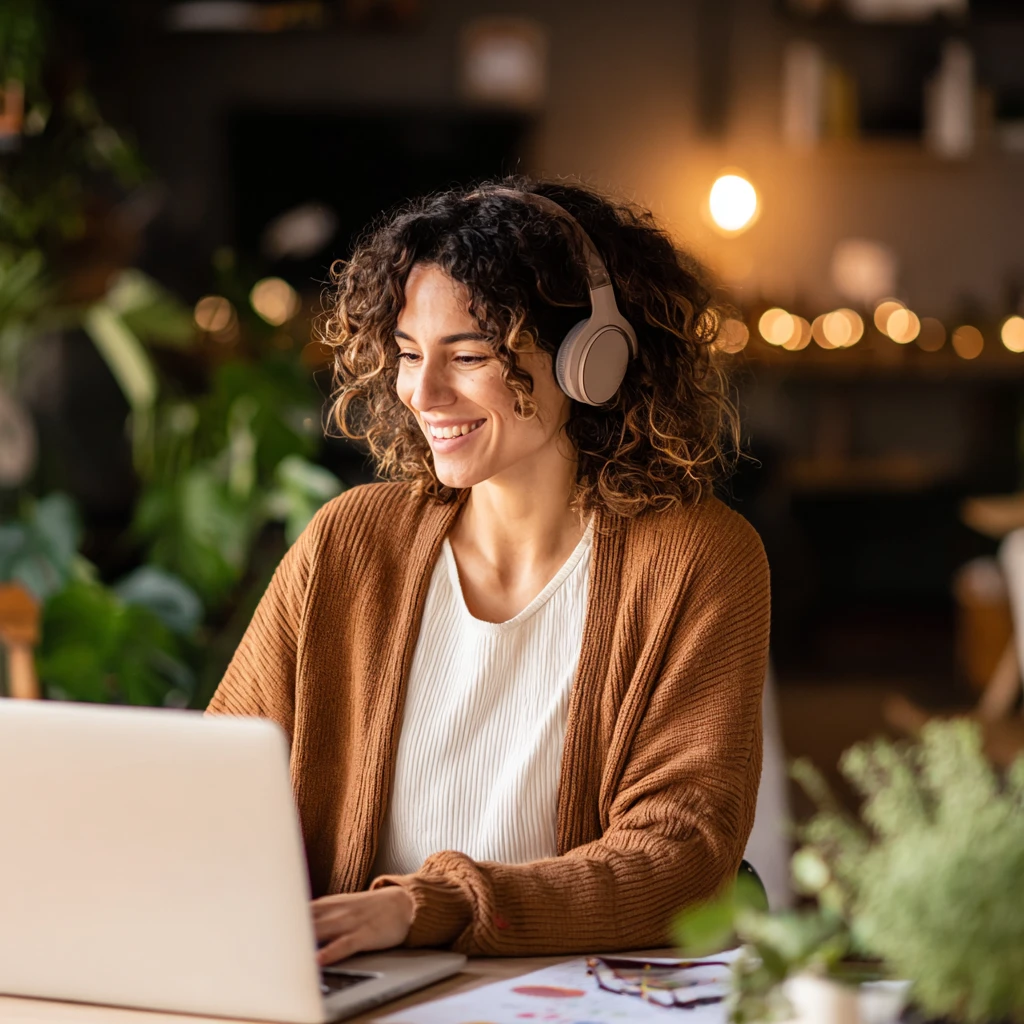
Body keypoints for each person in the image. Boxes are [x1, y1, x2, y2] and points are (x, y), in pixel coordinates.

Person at [207, 179, 770, 965]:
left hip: (567, 995)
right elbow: (216, 789)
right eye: (409, 354)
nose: (423, 393)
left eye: (469, 356)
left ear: (591, 360)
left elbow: (681, 856)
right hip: (357, 987)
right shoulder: (350, 541)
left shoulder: (697, 558)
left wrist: (426, 907)